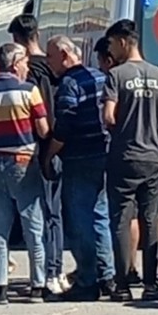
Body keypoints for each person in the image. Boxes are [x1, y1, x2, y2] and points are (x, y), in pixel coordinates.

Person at [101, 20, 158, 302]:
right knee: (152, 218)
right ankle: (151, 284)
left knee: (120, 220)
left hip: (123, 157)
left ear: (123, 42)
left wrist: (118, 128)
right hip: (153, 157)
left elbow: (108, 115)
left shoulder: (116, 75)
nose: (111, 51)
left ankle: (122, 285)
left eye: (111, 44)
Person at [0, 43, 49, 304]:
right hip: (24, 159)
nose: (28, 65)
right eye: (25, 61)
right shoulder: (29, 91)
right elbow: (43, 128)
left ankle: (1, 287)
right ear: (15, 63)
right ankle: (38, 284)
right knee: (33, 224)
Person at [45, 35, 114, 301]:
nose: (49, 63)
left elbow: (65, 124)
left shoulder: (69, 83)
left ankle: (87, 280)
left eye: (51, 57)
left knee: (79, 220)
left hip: (79, 157)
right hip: (103, 153)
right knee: (100, 215)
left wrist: (49, 155)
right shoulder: (99, 77)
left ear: (64, 54)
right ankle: (107, 275)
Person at [10, 14, 65, 296]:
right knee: (55, 212)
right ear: (38, 34)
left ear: (17, 40)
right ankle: (57, 270)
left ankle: (47, 274)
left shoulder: (28, 72)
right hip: (59, 144)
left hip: (34, 145)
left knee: (38, 214)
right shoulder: (55, 66)